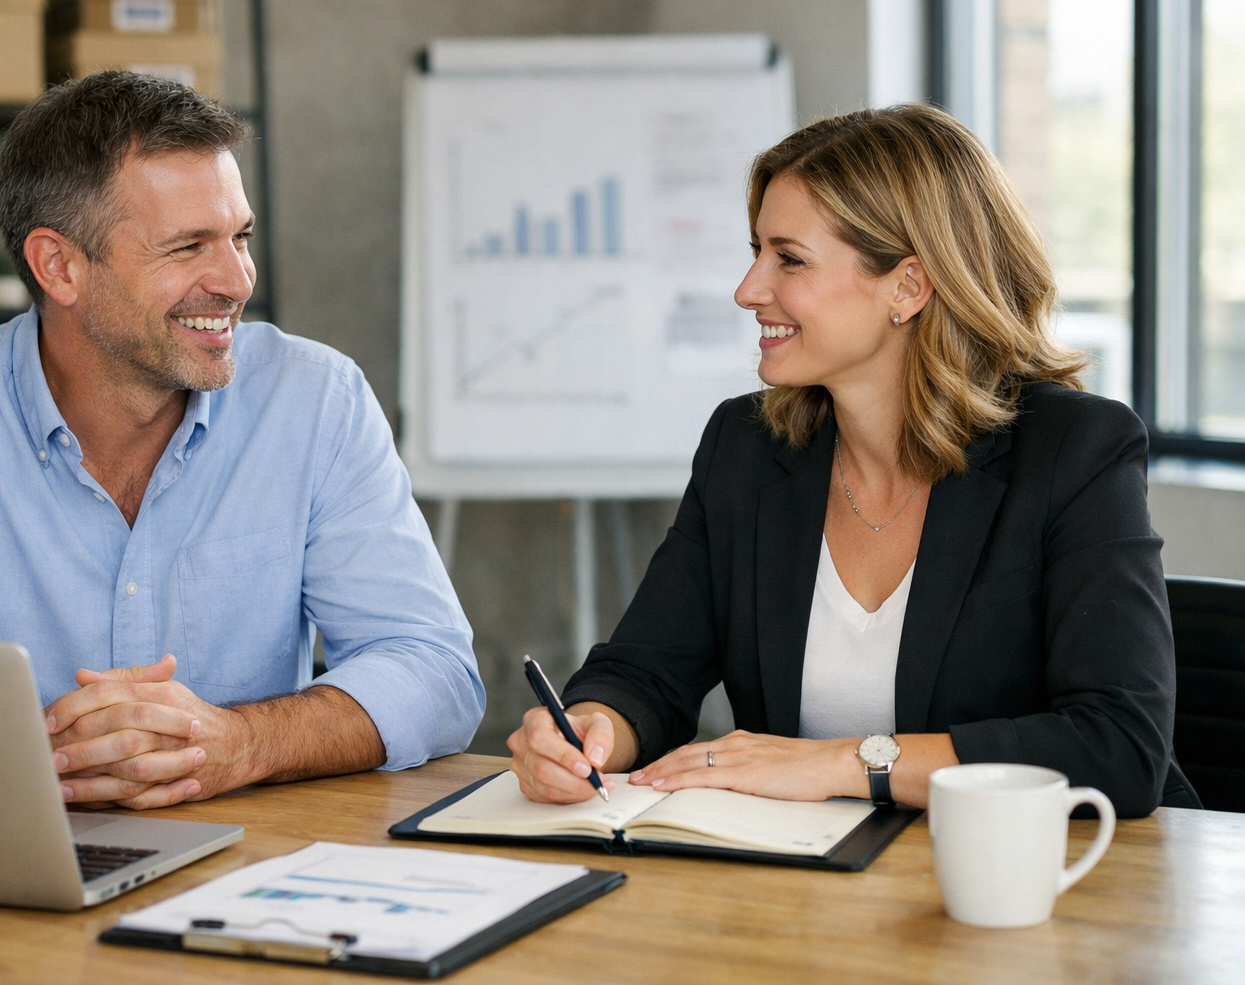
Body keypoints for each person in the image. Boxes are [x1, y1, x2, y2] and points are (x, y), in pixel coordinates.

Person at [0, 72, 484, 809]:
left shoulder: (316, 400)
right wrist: (36, 755)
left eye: (240, 236)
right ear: (57, 266)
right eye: (189, 246)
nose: (236, 278)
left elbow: (435, 670)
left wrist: (238, 743)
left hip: (253, 871)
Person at [508, 104, 1197, 818]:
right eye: (756, 252)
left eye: (790, 259)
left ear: (908, 286)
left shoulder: (1073, 450)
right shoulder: (746, 448)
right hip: (816, 885)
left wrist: (841, 763)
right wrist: (591, 732)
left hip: (1041, 883)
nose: (748, 290)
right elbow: (647, 672)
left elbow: (1118, 746)